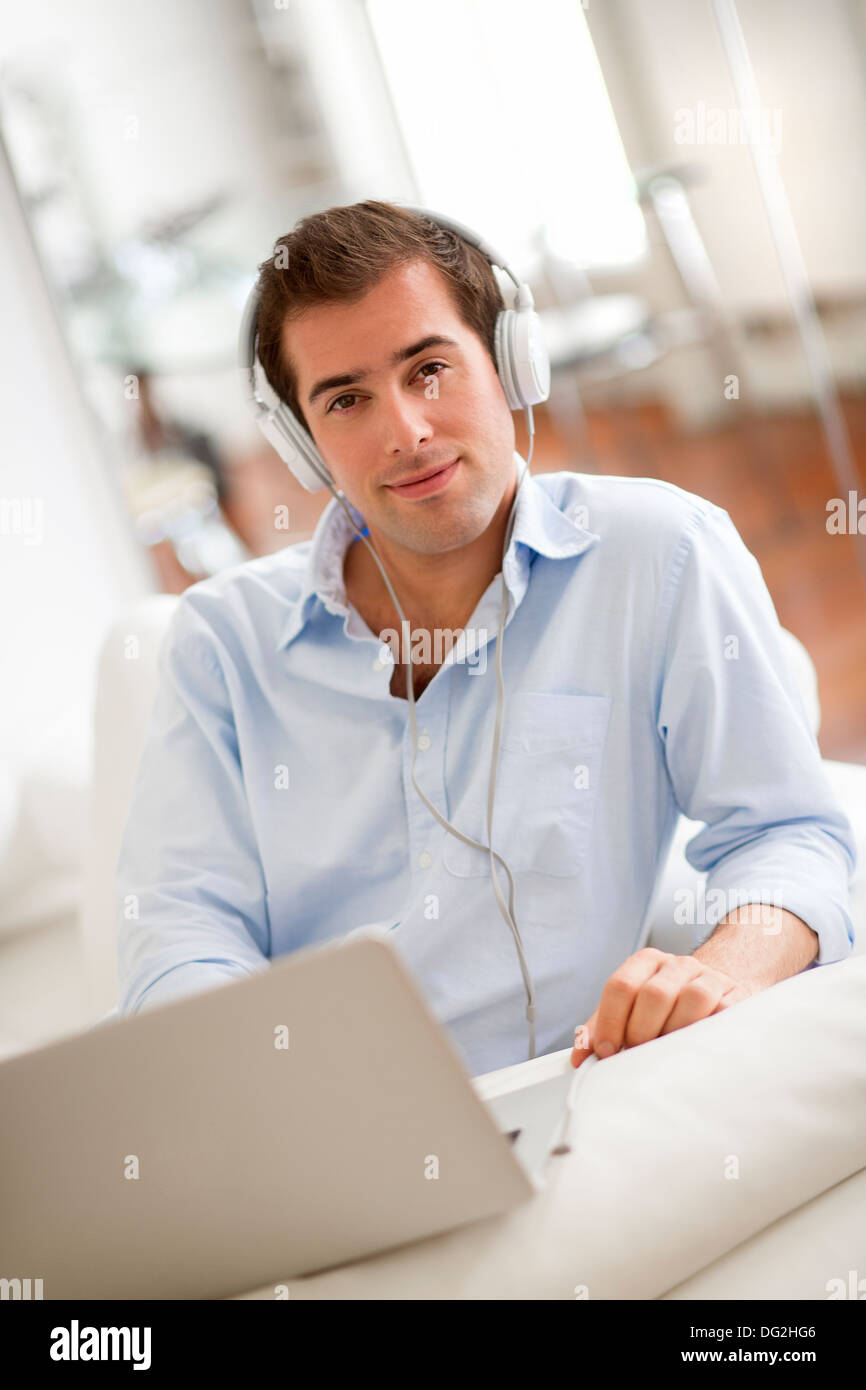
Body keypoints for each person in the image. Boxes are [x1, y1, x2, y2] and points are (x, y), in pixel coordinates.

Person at [115, 201, 856, 1077]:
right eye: (346, 398)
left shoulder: (659, 555)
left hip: (576, 1091)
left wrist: (718, 970)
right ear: (304, 444)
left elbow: (790, 833)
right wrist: (257, 1089)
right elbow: (179, 926)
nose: (406, 432)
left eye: (428, 369)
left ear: (512, 363)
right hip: (320, 1111)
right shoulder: (222, 640)